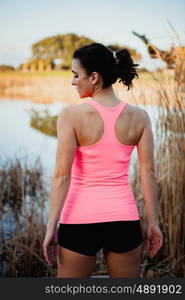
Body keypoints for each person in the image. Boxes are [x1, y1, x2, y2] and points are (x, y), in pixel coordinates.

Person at [43, 43, 163, 278]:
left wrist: (51, 228)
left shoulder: (71, 116)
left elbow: (61, 176)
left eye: (76, 75)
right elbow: (149, 174)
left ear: (95, 77)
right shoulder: (140, 117)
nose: (73, 81)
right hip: (124, 221)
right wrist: (153, 223)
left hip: (79, 220)